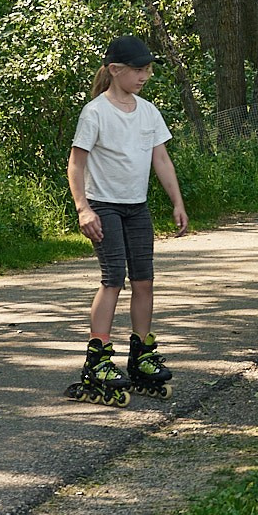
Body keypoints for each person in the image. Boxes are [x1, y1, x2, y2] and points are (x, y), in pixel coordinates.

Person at [64, 35, 189, 406]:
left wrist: (177, 203)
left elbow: (161, 159)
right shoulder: (95, 113)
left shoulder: (148, 112)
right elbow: (76, 164)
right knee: (113, 279)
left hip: (137, 208)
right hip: (104, 207)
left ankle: (141, 354)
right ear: (115, 70)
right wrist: (83, 209)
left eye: (147, 69)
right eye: (138, 70)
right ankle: (98, 359)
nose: (144, 76)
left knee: (144, 280)